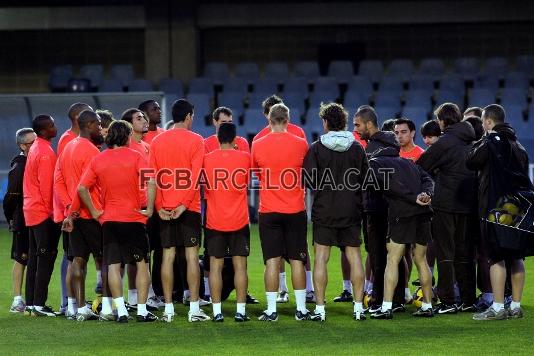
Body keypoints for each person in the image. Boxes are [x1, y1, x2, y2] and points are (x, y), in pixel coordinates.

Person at [77, 120, 157, 323]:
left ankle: (120, 311)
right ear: (126, 136)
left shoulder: (98, 159)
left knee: (113, 265)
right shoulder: (136, 156)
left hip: (109, 220)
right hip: (134, 218)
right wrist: (149, 208)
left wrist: (95, 212)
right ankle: (141, 311)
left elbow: (81, 188)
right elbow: (152, 182)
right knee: (141, 265)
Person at [303, 103, 369, 321]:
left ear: (325, 123)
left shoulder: (316, 147)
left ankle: (320, 310)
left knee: (321, 258)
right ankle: (359, 308)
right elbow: (365, 179)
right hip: (350, 209)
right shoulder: (357, 147)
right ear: (344, 122)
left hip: (325, 209)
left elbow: (309, 180)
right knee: (354, 257)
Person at [146, 99, 210, 322]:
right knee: (192, 257)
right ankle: (193, 309)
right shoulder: (197, 140)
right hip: (188, 207)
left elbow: (152, 177)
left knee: (167, 256)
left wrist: (160, 206)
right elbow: (194, 176)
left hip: (164, 208)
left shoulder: (157, 141)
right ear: (189, 116)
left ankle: (169, 310)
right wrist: (183, 204)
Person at [467, 104, 529, 320]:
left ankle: (497, 307)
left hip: (494, 208)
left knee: (496, 257)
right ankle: (516, 306)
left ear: (488, 122)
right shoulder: (519, 146)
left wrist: (485, 139)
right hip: (517, 209)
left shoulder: (491, 142)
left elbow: (471, 161)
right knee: (516, 256)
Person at [252, 103, 311, 321]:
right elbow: (306, 172)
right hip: (295, 208)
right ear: (288, 120)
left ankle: (271, 310)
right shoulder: (301, 144)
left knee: (272, 261)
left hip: (269, 209)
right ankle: (302, 310)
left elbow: (257, 173)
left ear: (269, 120)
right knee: (297, 260)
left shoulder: (257, 144)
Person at [368, 129, 435, 319]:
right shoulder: (409, 163)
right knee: (421, 260)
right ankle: (427, 305)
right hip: (423, 214)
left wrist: (412, 198)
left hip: (400, 215)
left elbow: (391, 186)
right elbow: (428, 179)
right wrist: (426, 194)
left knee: (392, 260)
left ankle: (386, 307)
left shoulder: (375, 163)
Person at [418, 103, 478, 314]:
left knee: (445, 252)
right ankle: (469, 298)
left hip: (446, 203)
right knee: (466, 253)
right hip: (469, 202)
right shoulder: (472, 138)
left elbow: (422, 165)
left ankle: (448, 300)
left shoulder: (445, 141)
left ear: (442, 120)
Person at [354, 105, 407, 313]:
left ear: (369, 124)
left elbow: (366, 180)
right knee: (395, 255)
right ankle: (398, 299)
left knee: (377, 256)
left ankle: (378, 300)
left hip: (376, 207)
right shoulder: (391, 146)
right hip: (394, 207)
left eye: (358, 125)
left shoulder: (371, 150)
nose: (356, 130)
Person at [55, 110, 104, 321]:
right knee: (106, 259)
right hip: (91, 214)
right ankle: (110, 305)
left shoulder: (67, 148)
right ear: (90, 125)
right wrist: (73, 212)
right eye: (99, 124)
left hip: (74, 214)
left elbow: (58, 181)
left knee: (78, 259)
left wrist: (68, 209)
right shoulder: (92, 152)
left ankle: (80, 307)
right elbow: (83, 188)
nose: (101, 128)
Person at [203, 123, 251, 322]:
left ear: (217, 137)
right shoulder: (245, 158)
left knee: (215, 266)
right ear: (235, 138)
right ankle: (240, 311)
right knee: (240, 266)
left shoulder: (207, 159)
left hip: (214, 220)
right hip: (239, 219)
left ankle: (216, 312)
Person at [121, 108, 164, 311]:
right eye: (139, 118)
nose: (145, 120)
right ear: (129, 124)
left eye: (144, 117)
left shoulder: (147, 146)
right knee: (135, 256)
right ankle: (134, 296)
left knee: (147, 253)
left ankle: (146, 294)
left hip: (150, 206)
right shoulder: (126, 147)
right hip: (134, 208)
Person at [23, 115, 61, 317]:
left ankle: (30, 303)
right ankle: (39, 304)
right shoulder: (45, 152)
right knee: (45, 258)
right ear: (45, 130)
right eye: (52, 125)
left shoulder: (36, 146)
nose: (55, 127)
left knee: (34, 259)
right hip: (42, 212)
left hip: (31, 209)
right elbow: (47, 187)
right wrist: (53, 214)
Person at [4, 128, 36, 313]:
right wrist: (11, 218)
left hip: (34, 216)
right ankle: (17, 300)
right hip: (22, 217)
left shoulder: (33, 160)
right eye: (32, 143)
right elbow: (11, 196)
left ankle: (33, 299)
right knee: (21, 257)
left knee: (32, 257)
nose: (35, 145)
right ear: (22, 146)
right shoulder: (20, 165)